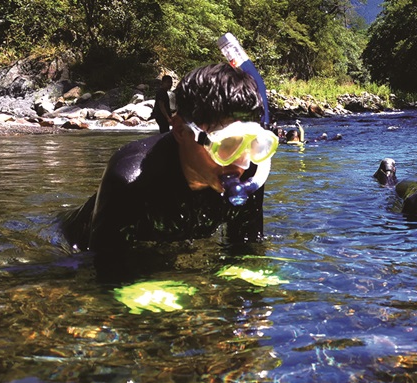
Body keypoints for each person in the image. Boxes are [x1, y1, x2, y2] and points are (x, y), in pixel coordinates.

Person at [59, 63, 278, 275]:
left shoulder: (251, 171)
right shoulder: (130, 180)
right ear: (181, 131)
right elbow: (104, 266)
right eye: (228, 145)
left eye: (254, 143)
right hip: (73, 244)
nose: (242, 162)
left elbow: (245, 248)